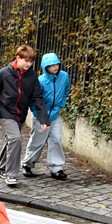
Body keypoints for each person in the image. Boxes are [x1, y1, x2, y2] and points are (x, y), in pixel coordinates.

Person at [0, 44, 49, 187]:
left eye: (31, 61)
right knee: (16, 139)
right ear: (18, 58)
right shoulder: (4, 73)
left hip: (20, 113)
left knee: (11, 140)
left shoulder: (32, 76)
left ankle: (1, 168)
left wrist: (43, 119)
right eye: (26, 60)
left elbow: (38, 98)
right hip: (5, 111)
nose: (29, 64)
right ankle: (11, 174)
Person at [23, 52, 71, 180]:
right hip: (41, 116)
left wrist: (61, 105)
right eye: (51, 65)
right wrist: (37, 113)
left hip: (55, 115)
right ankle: (27, 164)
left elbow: (66, 90)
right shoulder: (40, 81)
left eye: (56, 64)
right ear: (45, 67)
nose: (55, 67)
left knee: (56, 140)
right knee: (37, 141)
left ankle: (56, 168)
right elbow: (33, 99)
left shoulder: (64, 76)